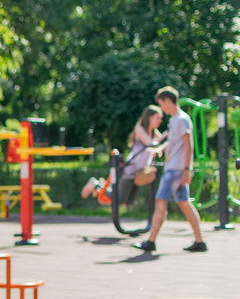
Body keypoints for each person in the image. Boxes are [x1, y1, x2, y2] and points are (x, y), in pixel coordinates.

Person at [132, 86, 206, 252]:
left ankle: (151, 241)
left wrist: (187, 169)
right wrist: (161, 149)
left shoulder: (181, 119)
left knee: (160, 202)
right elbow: (174, 143)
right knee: (184, 203)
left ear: (167, 101)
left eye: (162, 105)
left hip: (175, 170)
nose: (162, 110)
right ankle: (200, 241)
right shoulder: (175, 120)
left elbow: (189, 146)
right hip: (176, 168)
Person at [81, 104, 164, 201]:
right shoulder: (140, 130)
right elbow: (152, 144)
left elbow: (161, 143)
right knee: (119, 199)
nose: (160, 121)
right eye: (157, 118)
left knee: (128, 200)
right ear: (149, 118)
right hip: (131, 169)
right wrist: (167, 134)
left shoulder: (153, 132)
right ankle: (95, 185)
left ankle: (100, 185)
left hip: (139, 171)